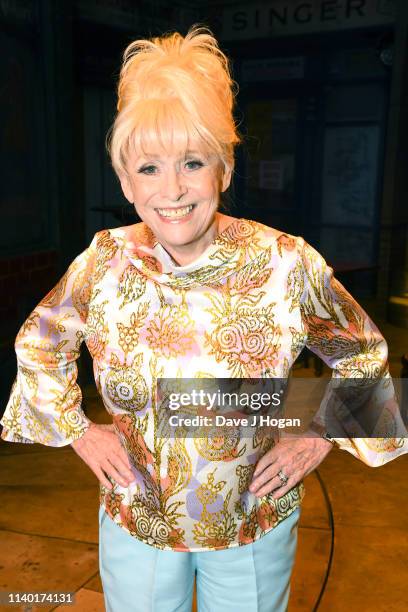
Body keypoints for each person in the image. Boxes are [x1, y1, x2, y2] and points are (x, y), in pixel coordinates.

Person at [1, 24, 407, 612]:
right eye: (149, 169)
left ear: (223, 167)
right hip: (137, 513)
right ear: (124, 181)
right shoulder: (103, 262)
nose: (173, 190)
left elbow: (364, 353)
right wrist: (79, 432)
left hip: (252, 519)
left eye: (192, 162)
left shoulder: (285, 262)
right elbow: (39, 344)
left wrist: (317, 435)